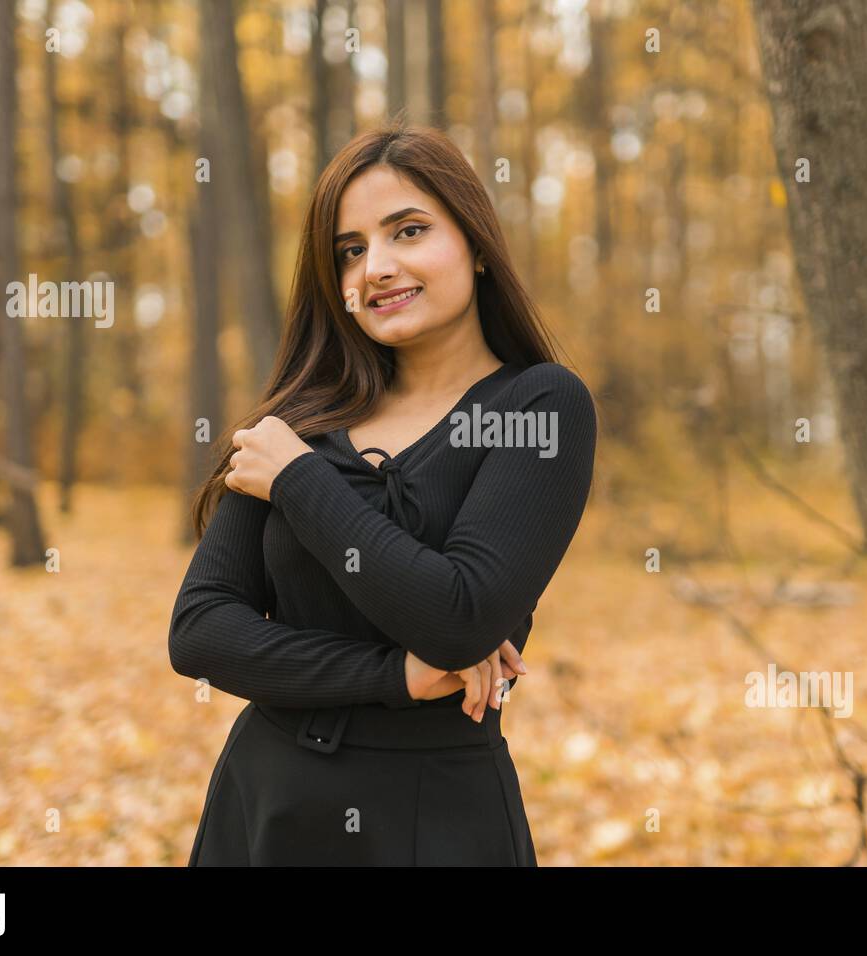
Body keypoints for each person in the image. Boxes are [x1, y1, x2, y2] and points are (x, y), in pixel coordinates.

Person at [170, 120, 597, 865]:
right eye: (352, 249)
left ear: (474, 243)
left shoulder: (538, 407)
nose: (377, 267)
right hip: (267, 803)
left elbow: (458, 617)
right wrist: (393, 673)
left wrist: (300, 482)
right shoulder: (301, 418)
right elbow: (201, 631)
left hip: (437, 818)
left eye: (408, 231)